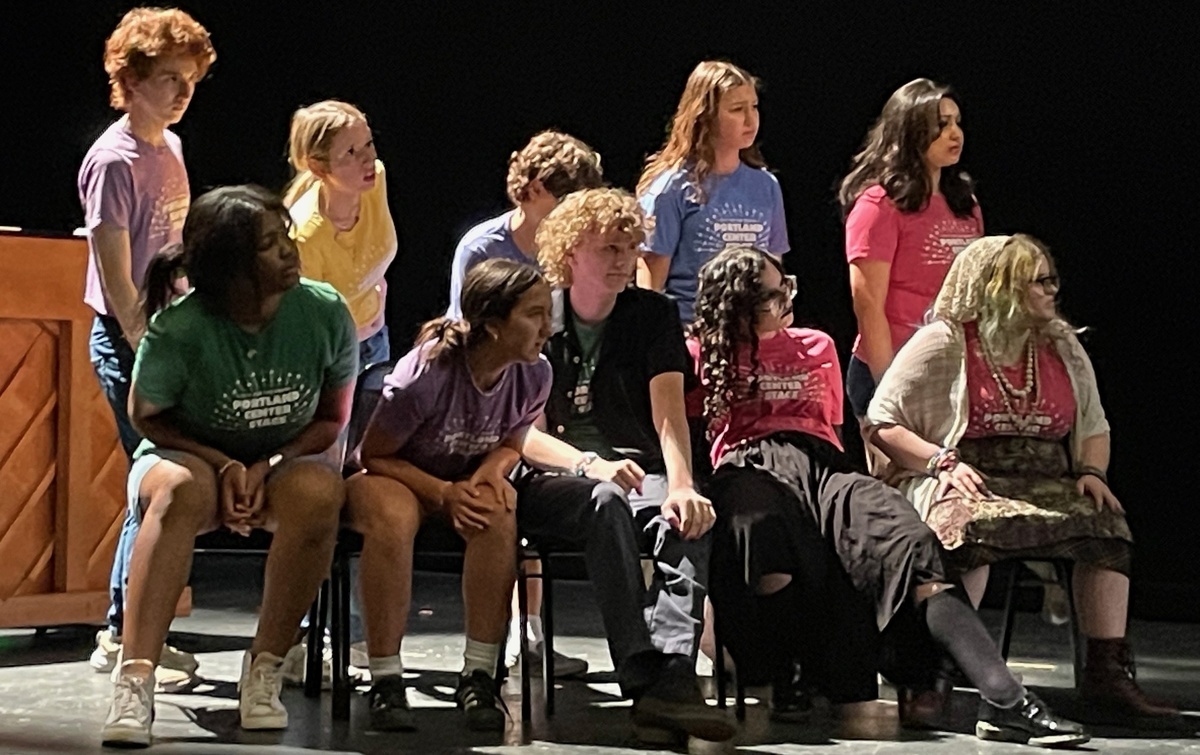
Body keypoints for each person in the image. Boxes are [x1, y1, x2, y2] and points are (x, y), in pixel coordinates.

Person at [691, 245, 1090, 748]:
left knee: (906, 536)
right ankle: (790, 674)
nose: (788, 299)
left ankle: (1006, 699)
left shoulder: (816, 344)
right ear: (738, 306)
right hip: (749, 463)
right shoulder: (702, 354)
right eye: (773, 295)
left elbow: (830, 429)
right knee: (763, 526)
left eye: (786, 286)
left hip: (822, 465)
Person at [866, 234, 1179, 722]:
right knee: (964, 526)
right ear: (1001, 289)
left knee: (1107, 524)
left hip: (1045, 476)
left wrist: (1092, 470)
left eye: (1051, 279)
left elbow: (1094, 423)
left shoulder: (1060, 344)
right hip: (962, 471)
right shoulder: (946, 340)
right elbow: (881, 423)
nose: (1052, 290)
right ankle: (936, 673)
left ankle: (1106, 677)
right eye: (1039, 281)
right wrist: (941, 462)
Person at [100, 185, 357, 747]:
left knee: (320, 495)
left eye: (286, 236)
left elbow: (332, 419)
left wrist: (266, 463)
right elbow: (146, 416)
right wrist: (220, 463)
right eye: (269, 244)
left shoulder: (324, 312)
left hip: (280, 462)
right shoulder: (180, 328)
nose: (289, 250)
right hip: (188, 457)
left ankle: (265, 668)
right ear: (232, 267)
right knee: (177, 491)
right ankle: (135, 677)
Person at [512, 188, 733, 744]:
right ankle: (642, 669)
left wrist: (682, 485)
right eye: (609, 248)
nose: (624, 260)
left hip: (639, 468)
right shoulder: (538, 315)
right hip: (558, 475)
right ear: (570, 253)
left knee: (686, 518)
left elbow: (668, 414)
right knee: (605, 499)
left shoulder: (652, 314)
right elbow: (524, 434)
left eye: (630, 248)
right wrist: (589, 464)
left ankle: (673, 673)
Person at [346, 258, 552, 732]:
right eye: (534, 315)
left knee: (497, 509)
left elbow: (513, 441)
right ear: (494, 325)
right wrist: (443, 493)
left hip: (460, 479)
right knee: (395, 515)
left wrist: (489, 474)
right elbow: (374, 454)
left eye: (548, 313)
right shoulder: (429, 371)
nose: (547, 327)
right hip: (393, 476)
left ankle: (479, 675)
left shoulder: (535, 373)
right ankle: (386, 679)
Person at [78, 5, 215, 683]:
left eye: (191, 80)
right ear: (130, 82)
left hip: (170, 334)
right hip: (129, 340)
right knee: (157, 480)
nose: (184, 93)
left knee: (159, 481)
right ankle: (123, 633)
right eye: (169, 79)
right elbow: (115, 274)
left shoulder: (172, 148)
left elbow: (174, 250)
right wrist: (147, 350)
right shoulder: (113, 161)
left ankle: (128, 629)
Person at [442, 130, 603, 677]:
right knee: (509, 490)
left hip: (553, 382)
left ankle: (531, 631)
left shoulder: (572, 249)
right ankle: (507, 631)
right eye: (564, 199)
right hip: (496, 390)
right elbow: (466, 334)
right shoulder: (484, 246)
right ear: (532, 191)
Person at [839, 78, 983, 420]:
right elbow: (868, 305)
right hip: (893, 369)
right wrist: (889, 387)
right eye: (941, 125)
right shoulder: (879, 205)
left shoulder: (965, 204)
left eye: (957, 122)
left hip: (952, 370)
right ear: (910, 132)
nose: (954, 134)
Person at [637, 60, 789, 323]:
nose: (750, 119)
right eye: (737, 109)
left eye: (754, 106)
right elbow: (650, 284)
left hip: (753, 330)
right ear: (705, 116)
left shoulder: (766, 185)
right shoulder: (671, 188)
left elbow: (775, 270)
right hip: (693, 330)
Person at [285, 99, 398, 367]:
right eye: (350, 152)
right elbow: (308, 323)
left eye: (368, 143)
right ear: (318, 167)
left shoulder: (375, 181)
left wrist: (377, 304)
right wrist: (350, 339)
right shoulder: (305, 236)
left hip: (375, 335)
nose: (369, 159)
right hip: (333, 354)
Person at [446, 129, 604, 318]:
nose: (576, 213)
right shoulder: (481, 249)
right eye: (567, 201)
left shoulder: (577, 248)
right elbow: (465, 327)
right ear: (535, 189)